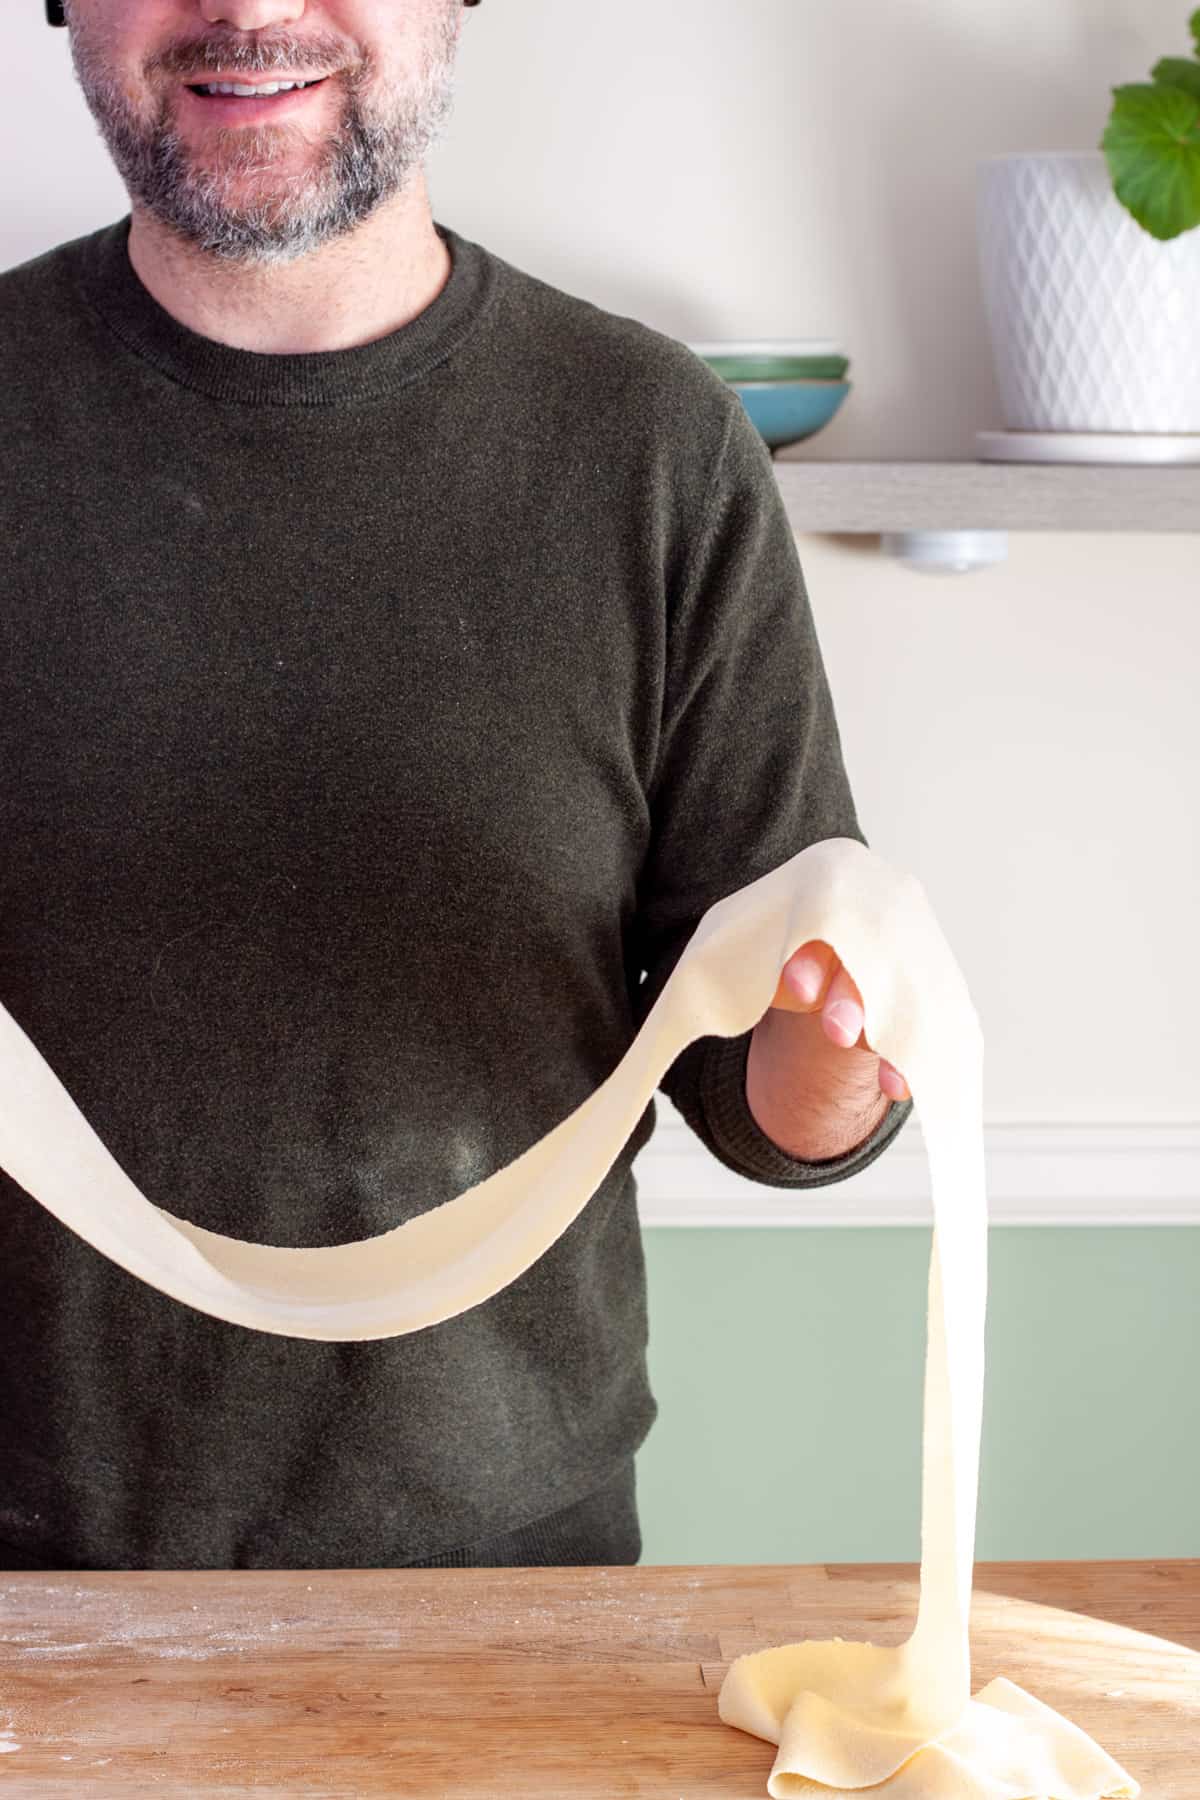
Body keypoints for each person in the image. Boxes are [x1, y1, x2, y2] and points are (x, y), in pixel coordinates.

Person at [0, 0, 914, 1572]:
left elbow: (758, 1088)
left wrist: (838, 1056)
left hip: (505, 1587)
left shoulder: (653, 449)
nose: (254, 7)